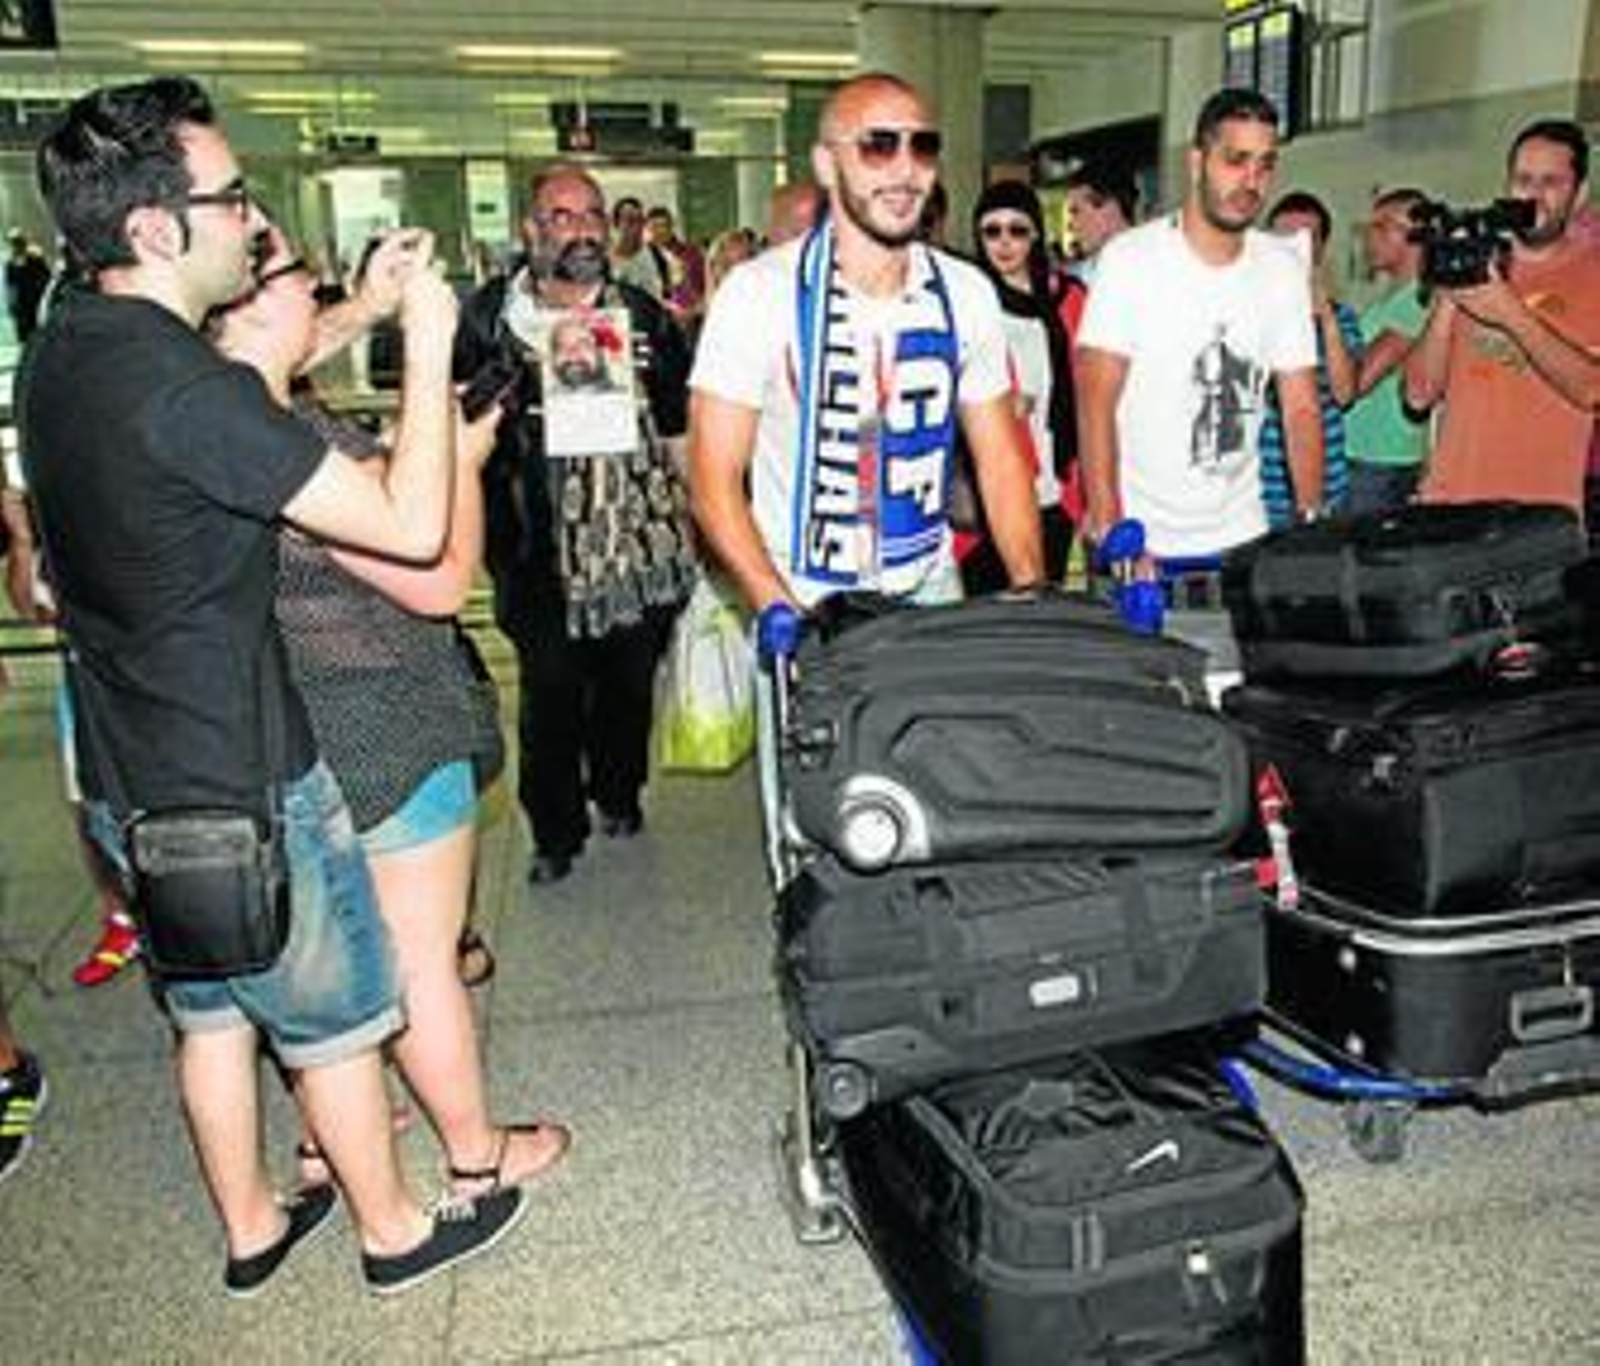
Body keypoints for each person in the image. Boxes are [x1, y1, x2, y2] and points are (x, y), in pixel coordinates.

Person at [19, 75, 526, 1296]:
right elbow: (414, 535)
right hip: (241, 770)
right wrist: (434, 340)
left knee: (207, 1014)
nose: (251, 222)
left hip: (126, 770)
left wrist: (352, 308)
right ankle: (398, 1232)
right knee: (338, 1022)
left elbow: (236, 401)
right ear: (154, 229)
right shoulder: (187, 393)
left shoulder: (68, 348)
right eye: (232, 198)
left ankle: (252, 1223)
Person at [206, 232, 571, 1201]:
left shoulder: (208, 409)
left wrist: (362, 307)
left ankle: (332, 1139)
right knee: (420, 959)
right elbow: (437, 576)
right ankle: (475, 1155)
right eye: (295, 280)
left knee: (333, 961)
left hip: (287, 722)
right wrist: (460, 443)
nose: (317, 296)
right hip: (385, 726)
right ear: (246, 305)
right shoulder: (293, 439)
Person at [689, 71, 1044, 613]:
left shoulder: (966, 292)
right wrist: (778, 612)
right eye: (878, 146)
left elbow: (1001, 462)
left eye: (922, 147)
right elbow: (713, 483)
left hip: (932, 589)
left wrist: (1031, 592)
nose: (905, 170)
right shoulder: (758, 294)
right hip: (804, 595)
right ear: (828, 165)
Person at [455, 164, 696, 886]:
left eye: (592, 215)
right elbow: (452, 424)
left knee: (627, 686)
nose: (584, 229)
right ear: (531, 229)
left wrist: (705, 524)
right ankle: (555, 831)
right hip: (534, 547)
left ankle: (618, 790)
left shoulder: (646, 318)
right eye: (563, 216)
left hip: (637, 548)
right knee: (551, 691)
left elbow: (682, 431)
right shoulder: (489, 317)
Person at [1075, 86, 1323, 575]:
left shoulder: (1281, 267)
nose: (1251, 180)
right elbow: (1094, 402)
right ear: (1197, 160)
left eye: (1265, 164)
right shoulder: (1131, 260)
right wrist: (1113, 529)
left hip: (1243, 539)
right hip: (1143, 541)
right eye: (1235, 160)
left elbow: (1300, 407)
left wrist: (1310, 518)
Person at [1406, 118, 1600, 515]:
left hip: (1542, 523)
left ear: (1580, 194)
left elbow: (1590, 389)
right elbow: (1418, 394)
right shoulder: (1483, 258)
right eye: (1523, 179)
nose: (1533, 195)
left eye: (1551, 182)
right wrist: (1452, 290)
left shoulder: (1593, 273)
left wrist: (1507, 309)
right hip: (1453, 510)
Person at [956, 180, 1077, 593]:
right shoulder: (970, 303)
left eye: (1017, 230)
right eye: (992, 231)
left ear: (1037, 234)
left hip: (1056, 492)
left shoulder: (1068, 299)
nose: (1004, 242)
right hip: (991, 497)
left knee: (1042, 627)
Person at [1256, 190, 1362, 528]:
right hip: (1253, 499)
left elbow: (1345, 393)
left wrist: (1325, 317)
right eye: (1282, 238)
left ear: (1321, 248)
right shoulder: (1245, 313)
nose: (1292, 248)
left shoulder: (1341, 318)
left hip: (1325, 494)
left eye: (1304, 239)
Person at [1342, 186, 1433, 516]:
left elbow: (1358, 380)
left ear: (1415, 237)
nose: (1370, 236)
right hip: (1364, 460)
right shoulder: (1393, 300)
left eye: (1382, 227)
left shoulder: (1416, 302)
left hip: (1378, 465)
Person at [1064, 158, 1137, 285]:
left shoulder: (1159, 269)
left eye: (1076, 211)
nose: (1071, 226)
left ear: (1108, 208)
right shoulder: (1073, 282)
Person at [609, 195, 669, 301]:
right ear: (616, 224)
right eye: (630, 221)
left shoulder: (656, 255)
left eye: (641, 220)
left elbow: (667, 293)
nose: (637, 227)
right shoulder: (604, 261)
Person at [5, 229, 51, 343]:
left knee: (36, 330)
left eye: (18, 242)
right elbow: (10, 284)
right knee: (23, 334)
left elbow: (46, 276)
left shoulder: (35, 257)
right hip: (21, 304)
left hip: (35, 299)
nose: (16, 246)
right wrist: (11, 303)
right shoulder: (11, 262)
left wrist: (42, 292)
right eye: (14, 243)